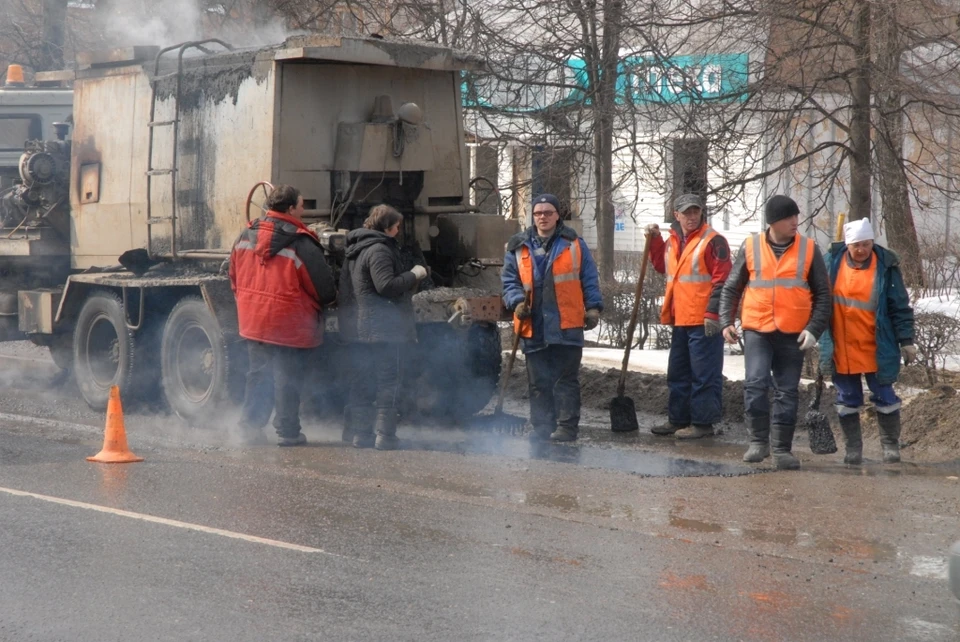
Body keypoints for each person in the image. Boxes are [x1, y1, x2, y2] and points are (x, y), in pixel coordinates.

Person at [719, 195, 831, 469]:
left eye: (796, 216)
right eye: (789, 217)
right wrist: (726, 321)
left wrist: (814, 330)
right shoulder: (751, 246)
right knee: (755, 384)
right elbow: (732, 287)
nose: (796, 222)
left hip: (794, 333)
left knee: (787, 391)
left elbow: (824, 295)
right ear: (773, 222)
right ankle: (758, 443)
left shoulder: (809, 249)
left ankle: (782, 449)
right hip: (758, 329)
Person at [230, 184, 337, 446]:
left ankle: (250, 427)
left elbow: (233, 276)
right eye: (302, 205)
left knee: (258, 374)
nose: (304, 209)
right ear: (290, 208)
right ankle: (288, 432)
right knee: (288, 378)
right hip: (290, 323)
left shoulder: (245, 236)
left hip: (254, 320)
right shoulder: (302, 243)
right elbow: (324, 289)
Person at [501, 193, 603, 442]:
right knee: (538, 382)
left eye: (548, 212)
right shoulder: (517, 246)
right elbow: (509, 282)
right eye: (538, 213)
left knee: (565, 380)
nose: (543, 217)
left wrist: (593, 307)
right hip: (533, 324)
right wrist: (516, 303)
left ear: (558, 215)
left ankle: (567, 427)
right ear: (532, 216)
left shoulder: (574, 244)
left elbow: (589, 278)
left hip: (566, 324)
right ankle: (542, 427)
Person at [819, 218, 915, 464]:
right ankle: (853, 449)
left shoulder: (886, 267)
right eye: (856, 245)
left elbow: (899, 306)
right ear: (847, 246)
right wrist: (813, 331)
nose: (861, 249)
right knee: (847, 398)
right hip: (842, 345)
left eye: (866, 244)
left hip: (876, 345)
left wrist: (906, 340)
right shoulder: (831, 263)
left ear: (873, 242)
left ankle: (890, 446)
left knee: (885, 394)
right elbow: (818, 300)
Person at [339, 204, 429, 450]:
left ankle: (360, 435)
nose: (399, 231)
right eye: (397, 227)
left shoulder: (356, 249)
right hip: (384, 328)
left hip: (361, 327)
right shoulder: (379, 249)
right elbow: (386, 286)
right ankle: (385, 436)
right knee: (387, 381)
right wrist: (414, 274)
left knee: (362, 380)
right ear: (387, 228)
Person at [645, 193, 732, 439]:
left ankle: (703, 424)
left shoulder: (713, 241)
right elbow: (662, 266)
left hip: (704, 319)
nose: (692, 216)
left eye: (696, 211)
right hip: (680, 317)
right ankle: (678, 419)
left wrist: (714, 313)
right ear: (677, 215)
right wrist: (654, 240)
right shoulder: (673, 241)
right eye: (687, 212)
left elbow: (722, 280)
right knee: (678, 372)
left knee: (704, 374)